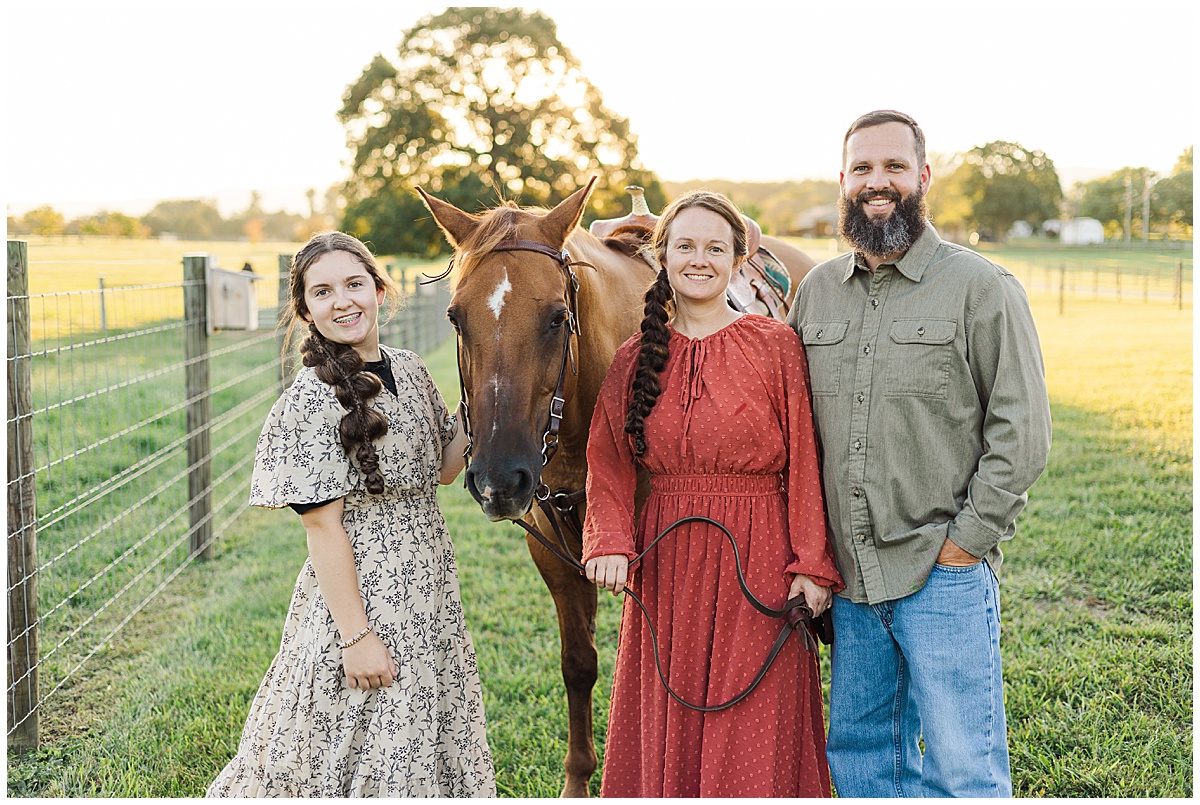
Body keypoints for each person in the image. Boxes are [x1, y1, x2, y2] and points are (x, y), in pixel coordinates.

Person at [787, 110, 1053, 797]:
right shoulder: (815, 293)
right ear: (843, 180)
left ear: (923, 176)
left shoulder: (981, 287)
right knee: (861, 758)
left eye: (894, 167)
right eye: (863, 168)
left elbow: (1022, 431)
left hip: (944, 571)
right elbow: (791, 426)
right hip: (850, 581)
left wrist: (965, 543)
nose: (878, 182)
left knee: (963, 769)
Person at [207, 232, 495, 797]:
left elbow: (442, 469)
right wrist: (356, 637)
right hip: (362, 593)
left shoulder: (410, 368)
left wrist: (482, 396)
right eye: (322, 292)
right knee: (356, 732)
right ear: (305, 309)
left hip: (428, 583)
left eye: (354, 284)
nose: (342, 301)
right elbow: (322, 528)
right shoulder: (310, 399)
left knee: (423, 721)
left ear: (379, 290)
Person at [583, 191, 843, 797]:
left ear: (738, 259)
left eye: (715, 248)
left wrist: (811, 564)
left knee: (753, 725)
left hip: (760, 557)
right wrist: (610, 538)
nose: (699, 259)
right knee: (668, 716)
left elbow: (807, 459)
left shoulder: (776, 345)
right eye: (685, 246)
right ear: (663, 257)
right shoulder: (634, 359)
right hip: (667, 564)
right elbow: (608, 459)